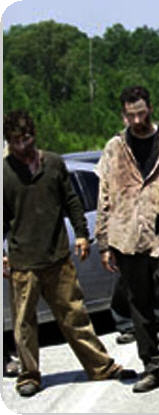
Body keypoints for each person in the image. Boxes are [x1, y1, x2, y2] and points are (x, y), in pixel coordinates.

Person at [3, 110, 135, 397]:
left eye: (26, 138)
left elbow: (71, 201)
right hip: (23, 261)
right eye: (15, 141)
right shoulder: (4, 174)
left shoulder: (53, 163)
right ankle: (29, 375)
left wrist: (82, 233)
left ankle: (100, 367)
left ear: (34, 135)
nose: (22, 145)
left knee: (75, 316)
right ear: (8, 142)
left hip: (58, 256)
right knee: (24, 324)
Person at [95, 86, 159, 393]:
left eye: (141, 113)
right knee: (138, 306)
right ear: (123, 116)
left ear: (150, 109)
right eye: (131, 115)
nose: (137, 120)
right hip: (128, 238)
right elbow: (104, 197)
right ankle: (152, 367)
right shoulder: (114, 148)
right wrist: (104, 243)